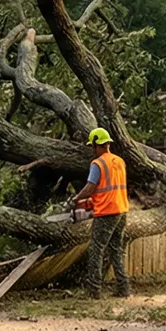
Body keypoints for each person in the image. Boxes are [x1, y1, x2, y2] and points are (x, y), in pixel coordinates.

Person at [71, 127, 130, 297]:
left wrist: (76, 199)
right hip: (121, 210)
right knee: (116, 249)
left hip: (106, 212)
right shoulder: (119, 161)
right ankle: (124, 288)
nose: (93, 149)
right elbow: (110, 188)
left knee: (97, 249)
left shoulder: (97, 164)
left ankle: (94, 290)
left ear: (97, 144)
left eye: (93, 146)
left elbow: (90, 187)